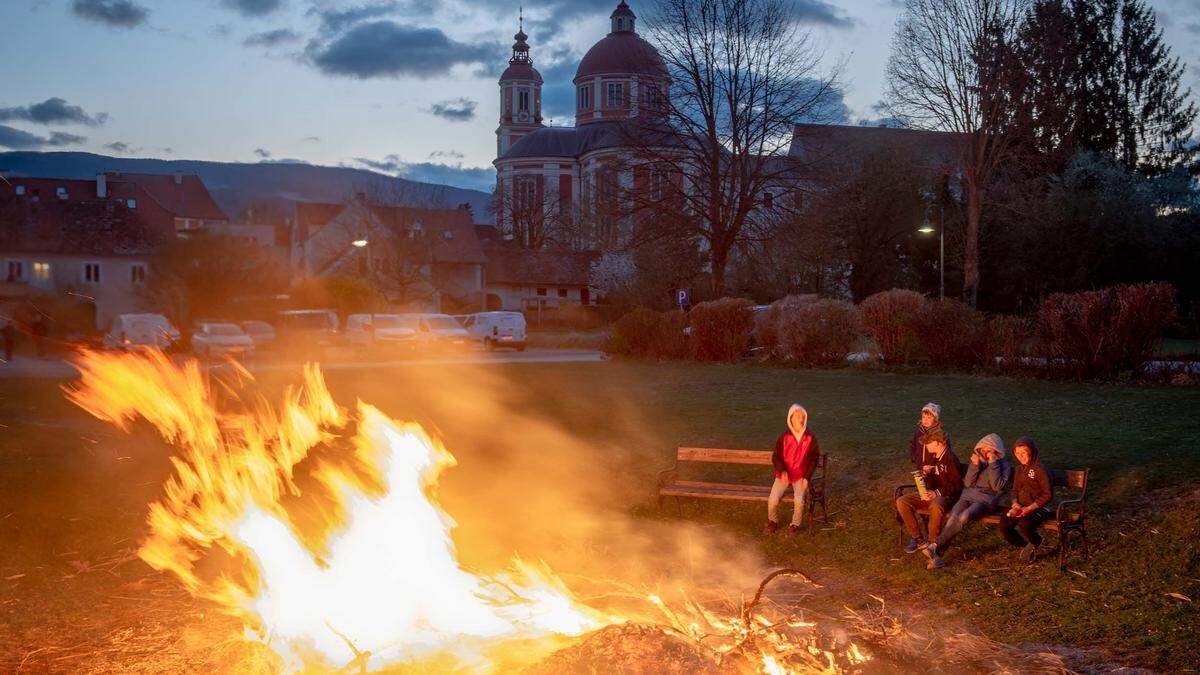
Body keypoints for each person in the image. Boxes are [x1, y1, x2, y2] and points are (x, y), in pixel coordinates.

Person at [922, 434, 1012, 569]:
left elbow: (997, 486)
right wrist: (975, 465)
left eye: (989, 450)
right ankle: (937, 556)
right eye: (983, 449)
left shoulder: (1004, 466)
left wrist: (993, 464)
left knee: (964, 517)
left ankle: (934, 545)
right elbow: (969, 483)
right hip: (967, 496)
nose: (985, 452)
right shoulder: (978, 461)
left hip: (985, 501)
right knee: (953, 517)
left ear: (996, 450)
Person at [895, 428, 963, 554]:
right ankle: (918, 539)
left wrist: (936, 493)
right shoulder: (934, 458)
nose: (925, 446)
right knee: (902, 501)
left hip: (947, 496)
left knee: (936, 505)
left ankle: (933, 543)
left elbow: (956, 485)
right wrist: (927, 475)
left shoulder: (950, 459)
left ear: (938, 443)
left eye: (928, 443)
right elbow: (933, 482)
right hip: (933, 493)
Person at [765, 403, 821, 536]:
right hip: (783, 475)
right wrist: (782, 470)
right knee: (772, 500)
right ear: (790, 418)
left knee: (799, 501)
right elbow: (776, 456)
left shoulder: (810, 438)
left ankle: (795, 524)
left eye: (802, 417)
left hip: (800, 475)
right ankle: (773, 521)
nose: (800, 420)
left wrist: (807, 477)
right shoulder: (784, 437)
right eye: (797, 417)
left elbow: (814, 458)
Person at [999, 436, 1053, 562]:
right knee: (1004, 524)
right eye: (1017, 453)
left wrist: (1029, 508)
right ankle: (1024, 546)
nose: (1020, 456)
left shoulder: (1040, 470)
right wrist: (1015, 503)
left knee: (1025, 524)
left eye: (1024, 452)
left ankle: (1037, 541)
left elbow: (1048, 495)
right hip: (1021, 506)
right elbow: (1015, 489)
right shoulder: (1019, 469)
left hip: (1039, 508)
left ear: (1032, 452)